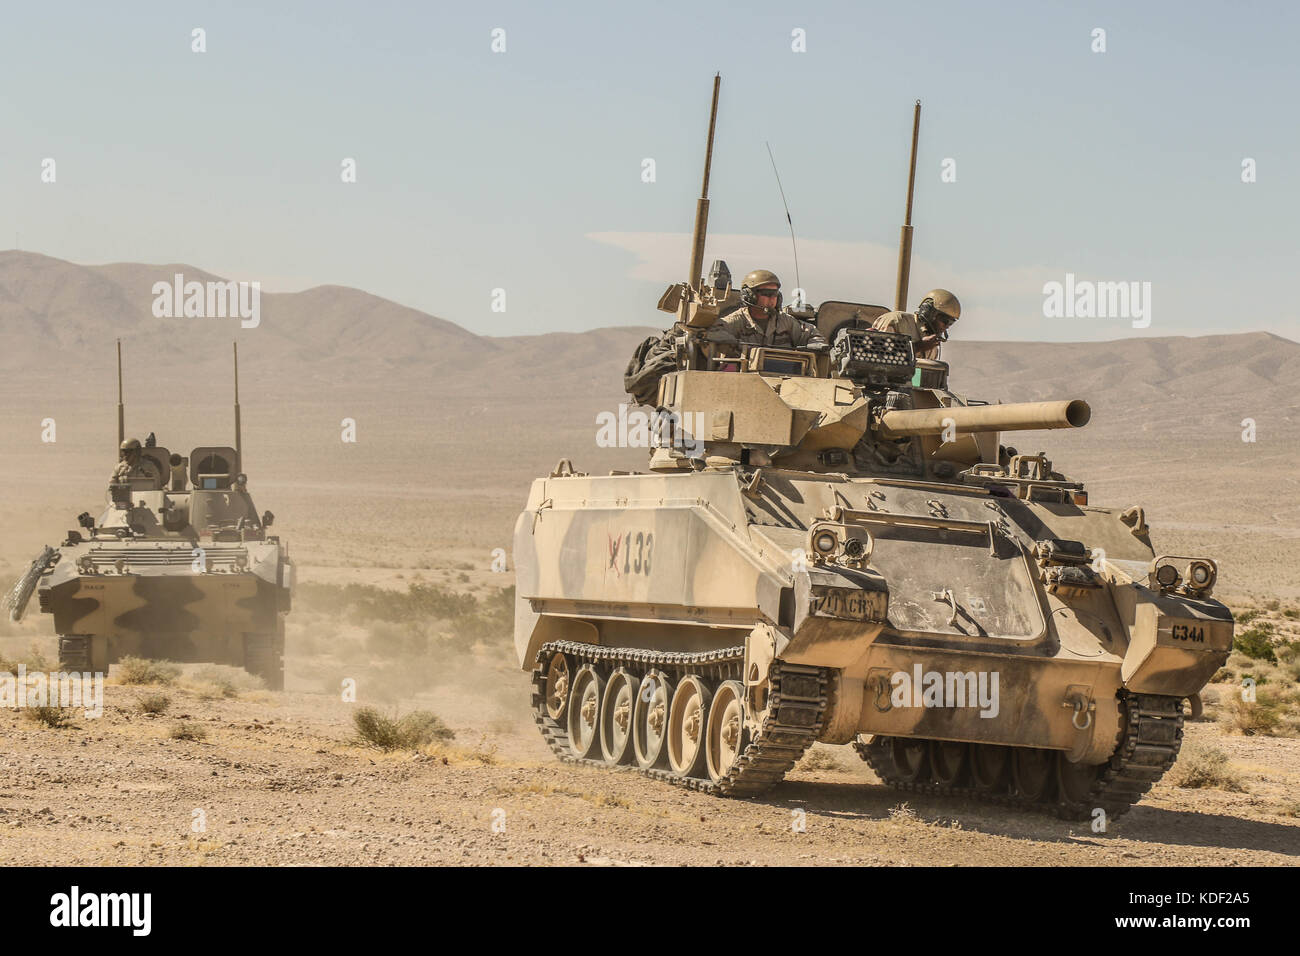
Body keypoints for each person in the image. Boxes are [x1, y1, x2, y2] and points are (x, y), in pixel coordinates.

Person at [709, 270, 827, 352]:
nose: (772, 298)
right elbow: (714, 332)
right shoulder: (738, 320)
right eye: (766, 294)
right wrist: (738, 348)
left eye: (775, 294)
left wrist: (815, 344)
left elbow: (811, 334)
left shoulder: (785, 321)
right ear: (750, 296)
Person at [872, 289, 961, 360]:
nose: (947, 326)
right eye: (945, 321)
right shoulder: (897, 321)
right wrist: (918, 346)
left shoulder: (932, 348)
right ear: (929, 313)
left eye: (951, 323)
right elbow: (877, 355)